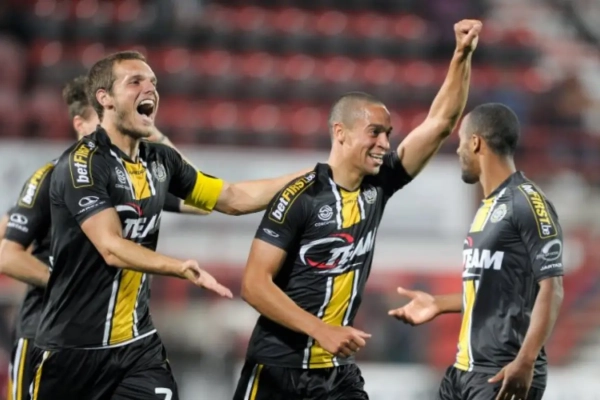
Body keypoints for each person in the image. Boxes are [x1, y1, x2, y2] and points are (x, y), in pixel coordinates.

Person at [27, 51, 309, 400]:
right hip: (72, 351)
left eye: (153, 83)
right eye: (135, 81)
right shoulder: (81, 164)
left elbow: (233, 197)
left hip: (137, 348)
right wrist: (178, 267)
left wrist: (311, 177)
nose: (150, 89)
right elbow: (111, 247)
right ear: (105, 98)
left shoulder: (161, 161)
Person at [233, 19, 482, 400]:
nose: (385, 143)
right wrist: (320, 330)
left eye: (388, 134)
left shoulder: (378, 185)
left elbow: (440, 123)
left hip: (337, 375)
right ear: (340, 133)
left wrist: (461, 55)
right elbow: (253, 284)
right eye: (375, 132)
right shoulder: (300, 196)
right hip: (278, 370)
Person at [0, 75, 207, 400]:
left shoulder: (134, 179)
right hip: (46, 333)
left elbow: (201, 202)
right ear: (81, 125)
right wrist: (68, 284)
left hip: (114, 341)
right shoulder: (53, 177)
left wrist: (156, 136)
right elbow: (8, 255)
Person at [389, 103, 564, 400]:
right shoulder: (488, 207)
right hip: (464, 371)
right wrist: (438, 303)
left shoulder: (527, 203)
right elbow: (499, 292)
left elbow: (552, 287)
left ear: (475, 142)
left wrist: (526, 360)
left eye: (460, 141)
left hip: (502, 373)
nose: (458, 150)